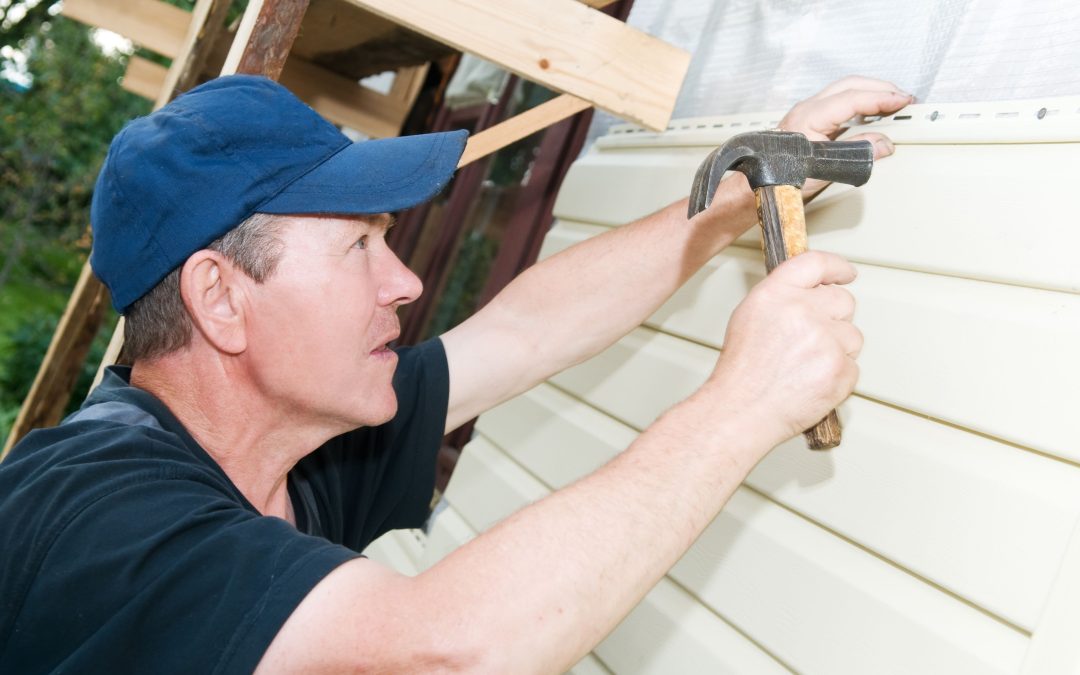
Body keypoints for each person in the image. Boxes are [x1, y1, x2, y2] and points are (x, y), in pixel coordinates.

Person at [0, 74, 911, 673]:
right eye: (359, 244)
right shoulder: (91, 509)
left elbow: (522, 331)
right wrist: (743, 403)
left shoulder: (290, 452)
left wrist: (740, 193)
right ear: (222, 299)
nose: (405, 281)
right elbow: (440, 655)